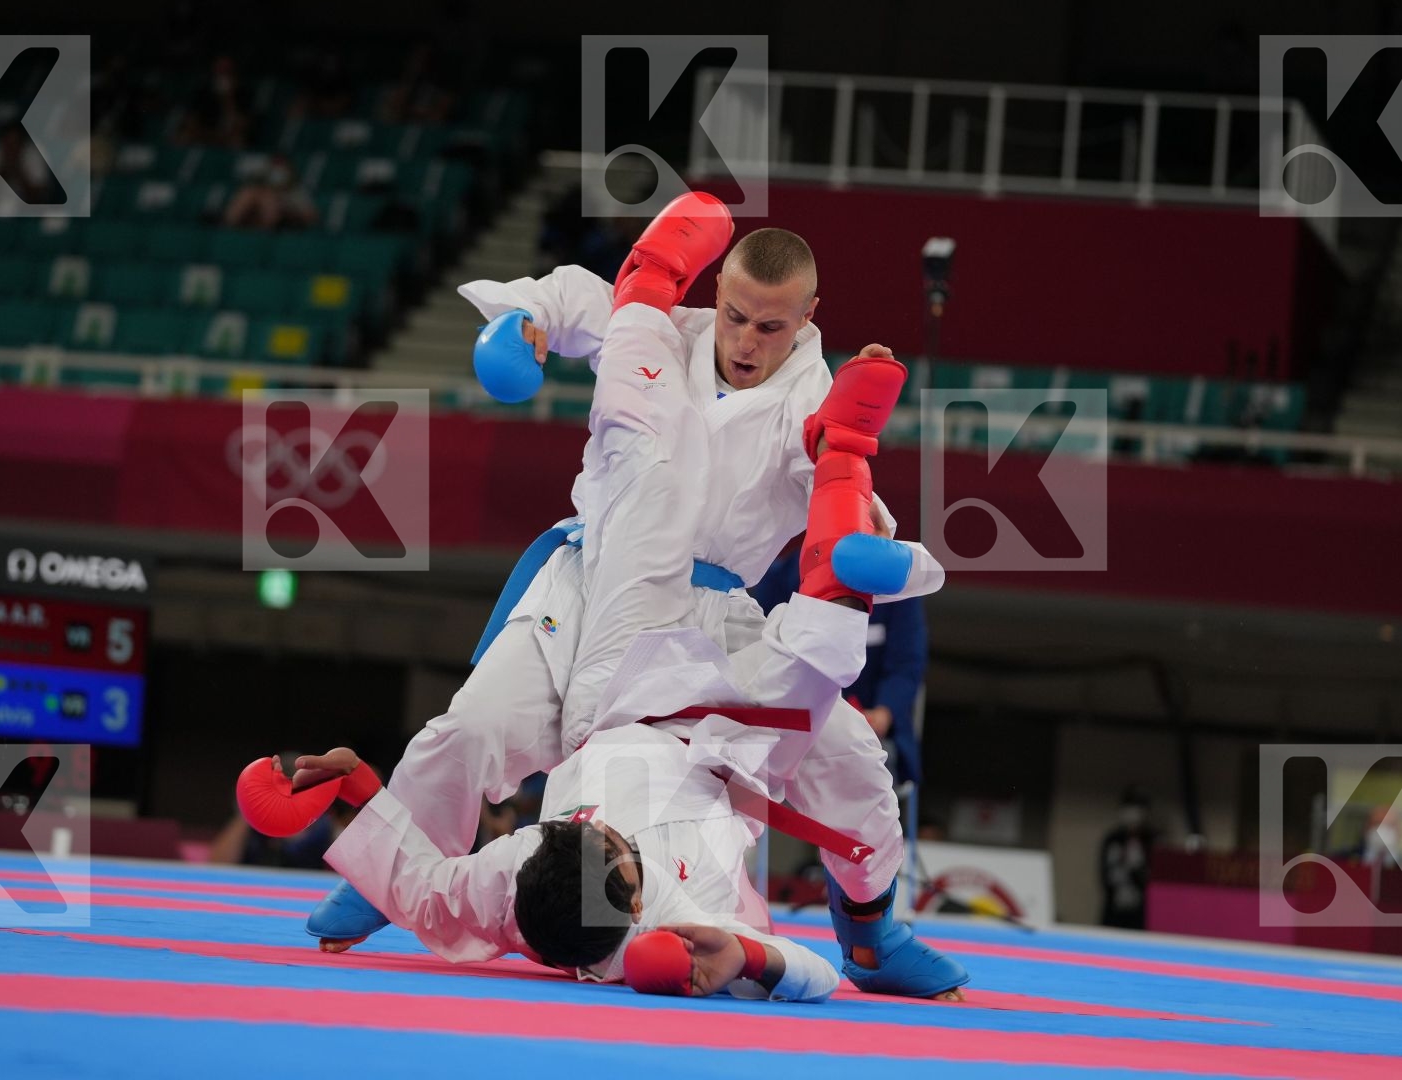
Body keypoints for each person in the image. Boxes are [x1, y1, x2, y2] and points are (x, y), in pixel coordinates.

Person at [303, 194, 959, 999]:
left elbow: (846, 504)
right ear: (716, 292)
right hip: (589, 581)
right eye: (736, 316)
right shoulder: (665, 328)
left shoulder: (813, 402)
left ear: (808, 317)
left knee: (852, 759)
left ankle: (870, 932)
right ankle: (383, 881)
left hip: (710, 616)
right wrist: (527, 322)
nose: (746, 341)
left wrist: (880, 551)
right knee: (470, 728)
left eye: (770, 327)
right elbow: (579, 296)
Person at [754, 550, 927, 787]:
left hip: (870, 728)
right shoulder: (777, 579)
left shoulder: (896, 587)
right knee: (752, 759)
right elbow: (760, 655)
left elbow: (906, 665)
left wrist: (883, 713)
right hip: (790, 724)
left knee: (873, 761)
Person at [1099, 787, 1155, 930]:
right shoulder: (1112, 839)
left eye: (1137, 808)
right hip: (1113, 912)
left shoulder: (1150, 841)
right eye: (1129, 807)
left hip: (1139, 914)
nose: (1133, 814)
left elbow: (1151, 877)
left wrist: (1137, 871)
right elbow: (1104, 875)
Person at [221, 155, 318, 230]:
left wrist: (287, 212)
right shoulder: (255, 188)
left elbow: (311, 216)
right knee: (249, 192)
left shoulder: (296, 191)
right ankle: (226, 229)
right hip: (248, 222)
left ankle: (262, 234)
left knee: (269, 197)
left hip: (280, 224)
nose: (278, 171)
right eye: (275, 166)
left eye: (282, 167)